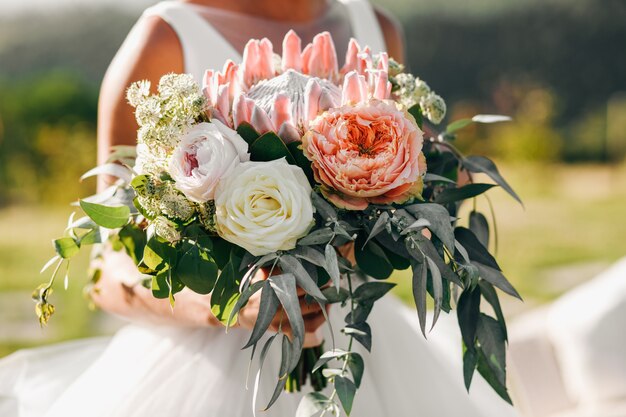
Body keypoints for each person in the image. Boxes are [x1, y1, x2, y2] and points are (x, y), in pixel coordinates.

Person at [0, 1, 520, 416]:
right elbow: (105, 270)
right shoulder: (164, 37)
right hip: (212, 371)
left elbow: (403, 189)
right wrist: (232, 306)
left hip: (358, 344)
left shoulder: (377, 26)